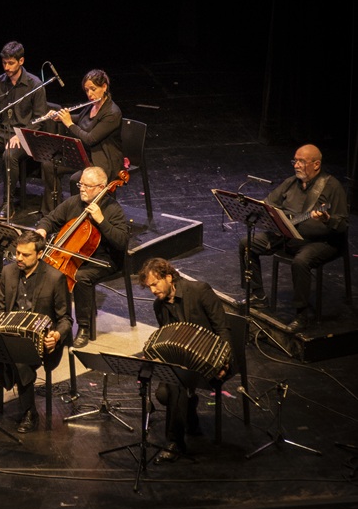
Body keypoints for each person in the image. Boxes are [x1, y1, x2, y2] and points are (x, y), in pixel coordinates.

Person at [237, 144, 349, 332]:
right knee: (247, 243)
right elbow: (269, 204)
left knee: (301, 261)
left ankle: (301, 315)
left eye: (301, 162)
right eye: (295, 161)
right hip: (288, 235)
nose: (296, 165)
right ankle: (257, 295)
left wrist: (328, 219)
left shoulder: (331, 187)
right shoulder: (290, 183)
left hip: (321, 242)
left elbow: (343, 225)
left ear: (316, 164)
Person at [138, 257, 232, 463]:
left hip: (211, 360)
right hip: (182, 363)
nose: (153, 290)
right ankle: (190, 410)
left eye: (155, 284)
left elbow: (222, 329)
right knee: (163, 394)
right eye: (149, 287)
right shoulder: (159, 306)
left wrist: (224, 362)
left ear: (169, 277)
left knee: (174, 387)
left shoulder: (199, 291)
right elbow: (166, 338)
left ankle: (174, 442)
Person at [0, 230, 72, 433]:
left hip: (42, 342)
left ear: (39, 254)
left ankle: (30, 412)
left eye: (25, 254)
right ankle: (12, 378)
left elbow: (65, 319)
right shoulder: (8, 273)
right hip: (11, 335)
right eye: (17, 253)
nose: (19, 258)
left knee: (19, 361)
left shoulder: (55, 278)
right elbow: (1, 311)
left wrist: (56, 336)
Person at [35, 166, 129, 348]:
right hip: (73, 256)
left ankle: (83, 327)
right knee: (45, 268)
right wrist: (42, 229)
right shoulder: (73, 203)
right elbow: (51, 218)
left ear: (102, 188)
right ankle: (45, 319)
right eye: (81, 184)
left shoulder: (113, 210)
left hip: (103, 260)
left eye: (88, 185)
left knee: (80, 277)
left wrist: (101, 220)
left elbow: (121, 241)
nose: (82, 189)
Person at [0, 41, 50, 220]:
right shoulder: (0, 82)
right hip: (3, 133)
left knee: (9, 155)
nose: (6, 67)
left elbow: (40, 119)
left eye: (10, 63)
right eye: (4, 63)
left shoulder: (35, 84)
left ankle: (8, 203)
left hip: (26, 136)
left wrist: (20, 135)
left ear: (21, 61)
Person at [39, 69, 124, 214]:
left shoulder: (112, 113)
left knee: (76, 179)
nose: (90, 94)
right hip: (85, 155)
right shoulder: (92, 106)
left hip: (103, 160)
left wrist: (69, 124)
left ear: (104, 87)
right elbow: (81, 119)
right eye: (87, 90)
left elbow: (90, 139)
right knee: (49, 165)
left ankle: (77, 218)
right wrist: (61, 117)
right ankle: (52, 213)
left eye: (93, 89)